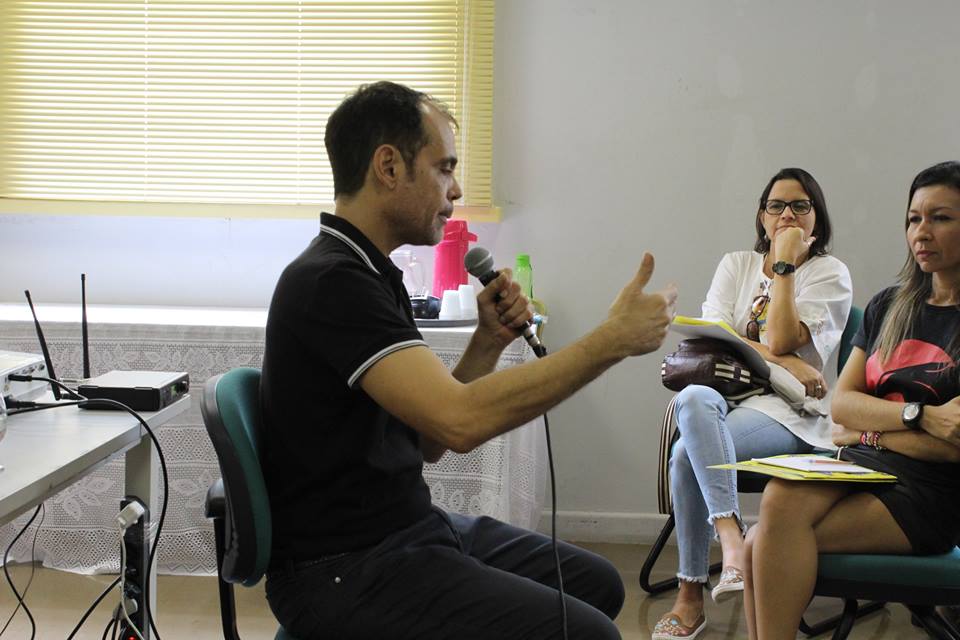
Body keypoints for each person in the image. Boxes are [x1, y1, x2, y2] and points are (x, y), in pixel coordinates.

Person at [259, 81, 678, 640]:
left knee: (596, 583)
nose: (455, 189)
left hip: (404, 531)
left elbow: (428, 440)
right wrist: (611, 340)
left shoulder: (370, 272)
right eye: (444, 168)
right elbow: (459, 422)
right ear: (389, 166)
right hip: (344, 569)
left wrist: (488, 342)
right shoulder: (332, 281)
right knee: (590, 633)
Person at [743, 161, 960, 639]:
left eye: (941, 218)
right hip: (859, 465)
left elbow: (951, 447)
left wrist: (868, 430)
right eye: (914, 219)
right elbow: (842, 406)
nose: (922, 232)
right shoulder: (890, 305)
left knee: (762, 542)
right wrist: (918, 417)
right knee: (773, 507)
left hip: (928, 494)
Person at [653, 168, 852, 640]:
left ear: (817, 218)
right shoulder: (736, 264)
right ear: (762, 216)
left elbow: (780, 335)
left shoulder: (829, 273)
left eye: (800, 206)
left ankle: (690, 594)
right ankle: (732, 540)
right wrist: (785, 361)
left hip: (790, 411)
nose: (787, 215)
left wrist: (784, 265)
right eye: (776, 206)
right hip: (724, 397)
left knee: (685, 454)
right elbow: (715, 337)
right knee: (693, 397)